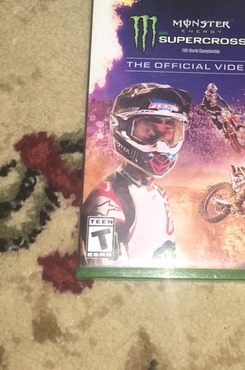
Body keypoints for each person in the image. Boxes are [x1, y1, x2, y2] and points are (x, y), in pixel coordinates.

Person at [80, 82, 191, 265]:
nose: (160, 144)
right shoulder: (106, 202)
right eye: (148, 131)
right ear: (121, 129)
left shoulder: (159, 193)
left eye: (168, 133)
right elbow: (104, 273)